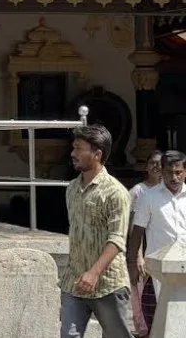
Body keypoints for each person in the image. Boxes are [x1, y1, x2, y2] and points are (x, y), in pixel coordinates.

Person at [59, 124, 135, 338]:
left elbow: (117, 239)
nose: (73, 154)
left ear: (97, 154)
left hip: (108, 285)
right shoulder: (71, 189)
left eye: (79, 149)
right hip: (74, 283)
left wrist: (93, 273)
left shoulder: (116, 193)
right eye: (73, 148)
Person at [128, 150, 186, 320]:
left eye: (178, 172)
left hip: (185, 266)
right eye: (169, 172)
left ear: (185, 172)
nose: (174, 177)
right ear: (162, 171)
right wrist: (133, 262)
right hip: (159, 270)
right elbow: (137, 231)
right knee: (160, 317)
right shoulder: (149, 197)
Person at [128, 150, 164, 335]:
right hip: (145, 254)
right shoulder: (138, 191)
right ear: (146, 166)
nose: (156, 166)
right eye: (153, 163)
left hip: (165, 254)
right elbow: (135, 229)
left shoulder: (172, 193)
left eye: (160, 163)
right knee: (144, 300)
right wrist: (138, 257)